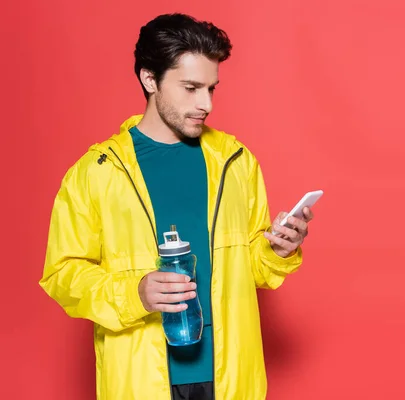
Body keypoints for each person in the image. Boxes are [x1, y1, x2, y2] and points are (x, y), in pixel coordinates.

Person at [39, 13, 314, 400]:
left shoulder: (236, 161)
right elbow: (63, 274)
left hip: (231, 378)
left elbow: (249, 265)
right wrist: (134, 292)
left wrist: (276, 249)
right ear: (149, 79)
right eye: (190, 88)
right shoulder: (96, 172)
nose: (205, 104)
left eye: (211, 89)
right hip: (140, 381)